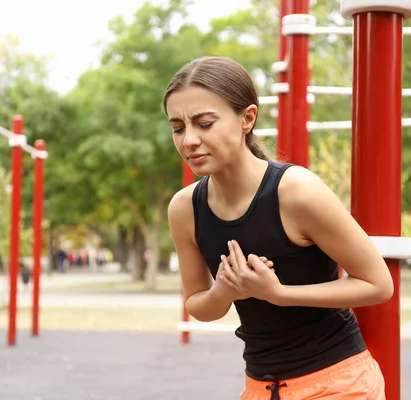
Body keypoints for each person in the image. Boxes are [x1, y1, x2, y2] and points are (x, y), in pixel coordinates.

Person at [164, 56, 393, 400]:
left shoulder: (296, 191)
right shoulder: (185, 209)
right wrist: (225, 291)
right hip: (261, 388)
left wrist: (278, 294)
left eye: (205, 123)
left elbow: (378, 284)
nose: (189, 140)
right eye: (178, 128)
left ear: (247, 118)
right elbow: (198, 304)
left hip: (338, 383)